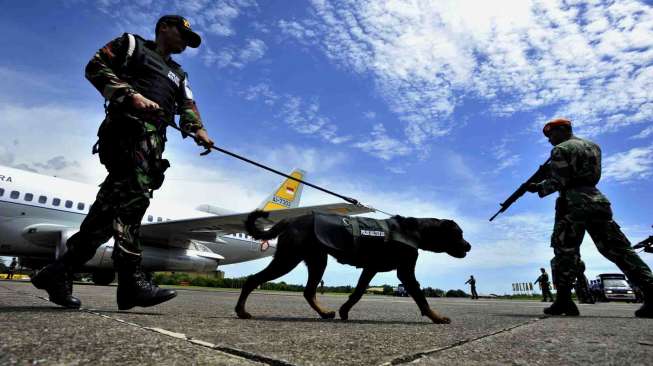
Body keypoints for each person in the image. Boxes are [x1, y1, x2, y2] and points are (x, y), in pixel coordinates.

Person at [31, 15, 214, 310]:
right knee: (134, 200)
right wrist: (130, 95)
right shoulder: (132, 46)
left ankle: (58, 272)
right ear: (163, 28)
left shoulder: (179, 74)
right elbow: (95, 67)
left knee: (104, 218)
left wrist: (198, 130)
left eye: (188, 41)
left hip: (152, 145)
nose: (184, 43)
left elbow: (187, 106)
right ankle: (130, 283)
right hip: (125, 134)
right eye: (181, 35)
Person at [526, 118, 653, 317]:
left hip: (573, 203)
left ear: (562, 130)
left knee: (565, 251)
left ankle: (564, 301)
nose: (550, 139)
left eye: (551, 134)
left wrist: (538, 188)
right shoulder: (594, 147)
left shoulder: (560, 150)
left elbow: (560, 180)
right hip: (598, 200)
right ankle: (651, 291)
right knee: (619, 250)